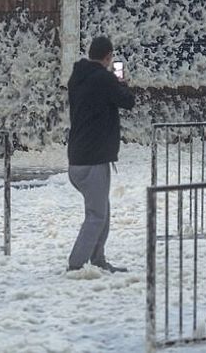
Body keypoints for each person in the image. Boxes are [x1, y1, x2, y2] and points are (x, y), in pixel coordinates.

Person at [66, 35, 135, 273]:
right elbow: (128, 102)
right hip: (93, 159)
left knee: (101, 212)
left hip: (77, 157)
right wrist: (121, 82)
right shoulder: (104, 79)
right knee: (97, 215)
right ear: (108, 57)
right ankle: (77, 264)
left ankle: (97, 260)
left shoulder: (77, 77)